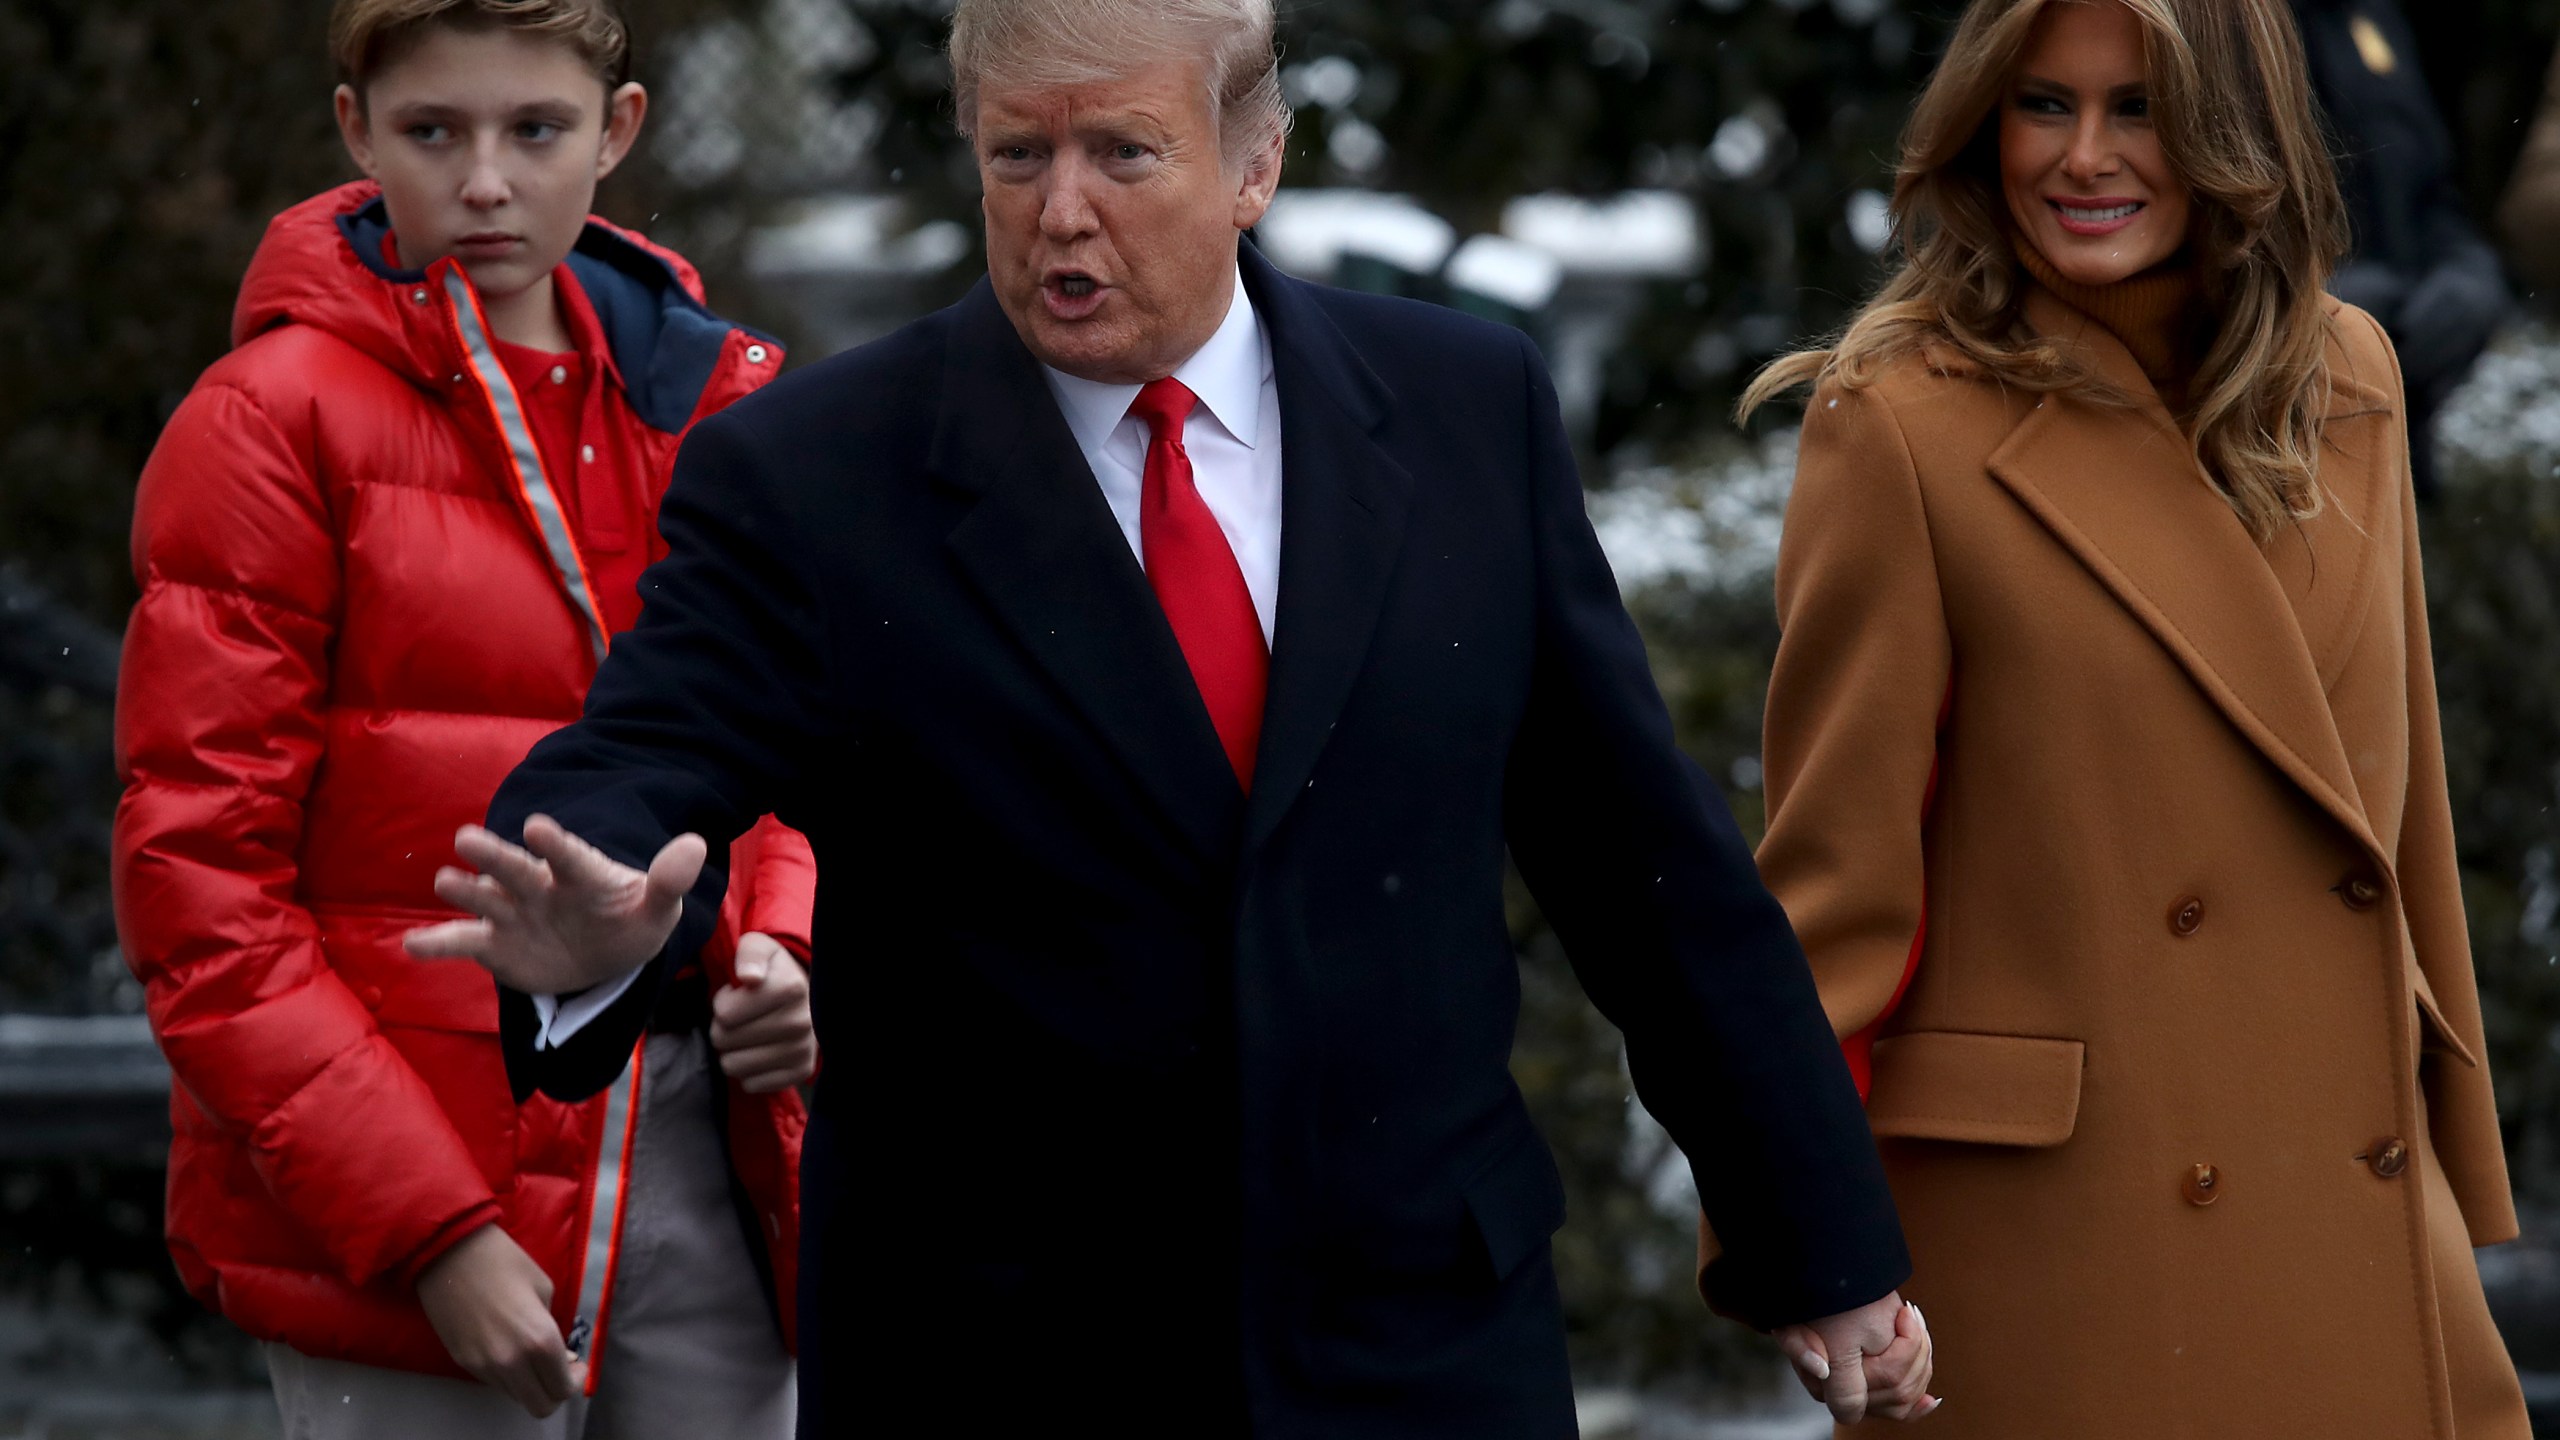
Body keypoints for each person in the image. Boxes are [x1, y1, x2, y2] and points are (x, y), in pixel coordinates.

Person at [402, 0, 1939, 1430]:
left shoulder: (1467, 409)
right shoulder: (817, 475)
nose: (1062, 210)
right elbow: (643, 755)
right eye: (1020, 154)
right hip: (1008, 1353)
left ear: (1255, 160)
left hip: (1418, 1347)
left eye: (1122, 152)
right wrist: (595, 909)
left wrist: (1819, 1237)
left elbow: (1643, 868)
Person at [1730, 0, 2527, 1434]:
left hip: (2349, 1196)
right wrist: (1803, 1242)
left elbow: (2395, 825)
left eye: (2140, 108)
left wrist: (2454, 1149)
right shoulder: (1899, 422)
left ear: (2237, 130)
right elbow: (1835, 898)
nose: (2083, 156)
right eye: (2044, 105)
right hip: (2069, 1257)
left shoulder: (2351, 374)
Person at [111, 2, 818, 1435]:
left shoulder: (721, 409)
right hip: (405, 1181)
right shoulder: (266, 425)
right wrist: (429, 1232)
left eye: (535, 130)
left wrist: (782, 943)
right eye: (435, 132)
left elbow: (796, 751)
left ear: (616, 133)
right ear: (357, 133)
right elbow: (197, 892)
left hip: (709, 1162)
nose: (485, 180)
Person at [2291, 0, 2510, 499]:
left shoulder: (2373, 17)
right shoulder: (2219, 24)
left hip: (2402, 419)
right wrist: (2318, 295)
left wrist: (2467, 271)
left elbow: (2431, 187)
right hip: (2289, 439)